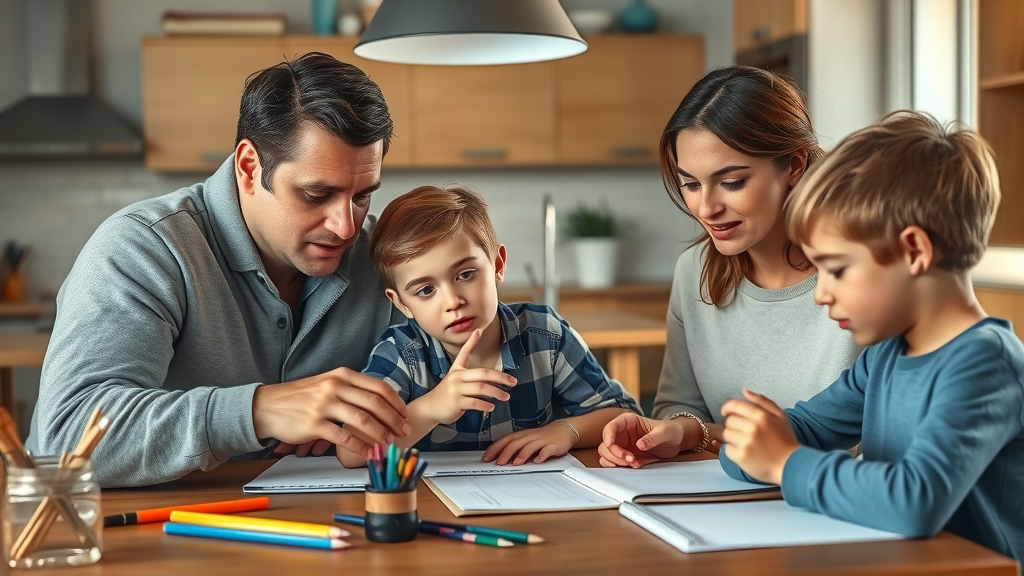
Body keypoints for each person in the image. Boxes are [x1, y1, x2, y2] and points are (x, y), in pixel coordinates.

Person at [26, 53, 414, 487]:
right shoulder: (143, 248)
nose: (346, 226)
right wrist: (259, 411)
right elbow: (65, 441)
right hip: (146, 527)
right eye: (316, 194)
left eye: (363, 196)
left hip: (323, 525)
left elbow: (468, 370)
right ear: (249, 167)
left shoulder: (385, 255)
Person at [719, 111, 1024, 562]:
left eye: (837, 269)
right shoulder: (885, 355)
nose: (821, 293)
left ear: (914, 251)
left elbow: (914, 501)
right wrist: (750, 441)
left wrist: (783, 461)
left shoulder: (984, 364)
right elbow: (806, 428)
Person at [599, 66, 860, 468]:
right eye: (691, 184)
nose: (707, 208)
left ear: (793, 165)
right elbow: (681, 406)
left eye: (732, 182)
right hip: (731, 497)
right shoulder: (695, 271)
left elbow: (882, 439)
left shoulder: (864, 274)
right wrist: (679, 431)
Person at [336, 185, 640, 468]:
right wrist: (430, 408)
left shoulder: (545, 336)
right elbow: (351, 451)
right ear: (401, 304)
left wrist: (567, 430)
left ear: (497, 266)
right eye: (426, 290)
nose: (453, 301)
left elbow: (624, 415)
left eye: (465, 274)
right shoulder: (402, 353)